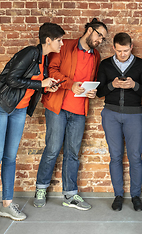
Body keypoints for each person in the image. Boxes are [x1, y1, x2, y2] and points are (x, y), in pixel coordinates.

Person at [0, 23, 65, 234]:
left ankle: (7, 204)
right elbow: (11, 79)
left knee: (10, 157)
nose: (62, 43)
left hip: (18, 111)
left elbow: (32, 84)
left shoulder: (44, 60)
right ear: (48, 41)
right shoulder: (30, 52)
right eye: (59, 40)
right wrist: (40, 83)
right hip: (0, 107)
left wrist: (46, 85)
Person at [34, 18, 108, 210]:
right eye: (99, 35)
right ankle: (41, 188)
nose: (100, 40)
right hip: (57, 107)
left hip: (79, 110)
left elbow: (91, 80)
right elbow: (52, 70)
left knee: (73, 153)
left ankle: (70, 194)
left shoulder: (96, 56)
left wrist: (92, 92)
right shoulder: (65, 45)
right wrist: (70, 84)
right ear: (90, 30)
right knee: (52, 149)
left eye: (103, 38)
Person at [97, 32, 142, 211]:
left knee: (135, 157)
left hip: (134, 115)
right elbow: (99, 92)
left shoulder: (141, 64)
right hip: (110, 114)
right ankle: (118, 195)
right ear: (113, 48)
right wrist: (113, 85)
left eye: (126, 51)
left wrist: (133, 85)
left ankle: (136, 196)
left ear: (131, 48)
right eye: (119, 51)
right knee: (116, 157)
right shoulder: (105, 64)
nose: (123, 54)